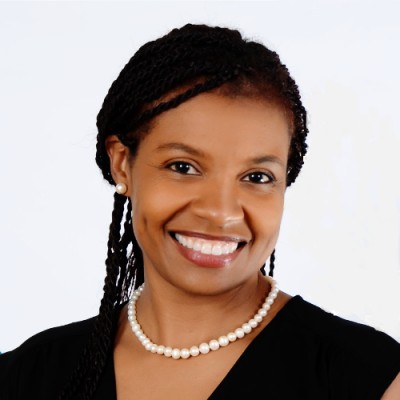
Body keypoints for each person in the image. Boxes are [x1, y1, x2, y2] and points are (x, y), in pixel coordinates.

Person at [0, 23, 399, 400]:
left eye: (257, 177)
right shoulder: (28, 377)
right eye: (183, 167)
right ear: (122, 164)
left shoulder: (368, 379)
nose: (220, 212)